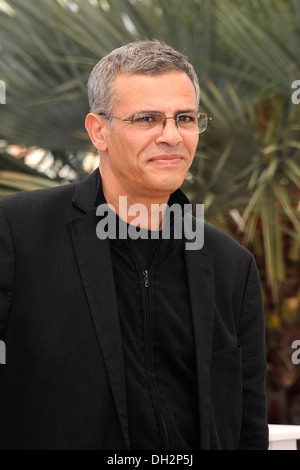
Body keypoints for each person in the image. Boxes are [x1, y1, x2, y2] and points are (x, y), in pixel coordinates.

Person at [0, 40, 269, 450]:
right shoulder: (17, 232)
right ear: (99, 131)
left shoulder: (233, 265)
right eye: (147, 119)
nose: (171, 136)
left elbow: (247, 426)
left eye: (185, 118)